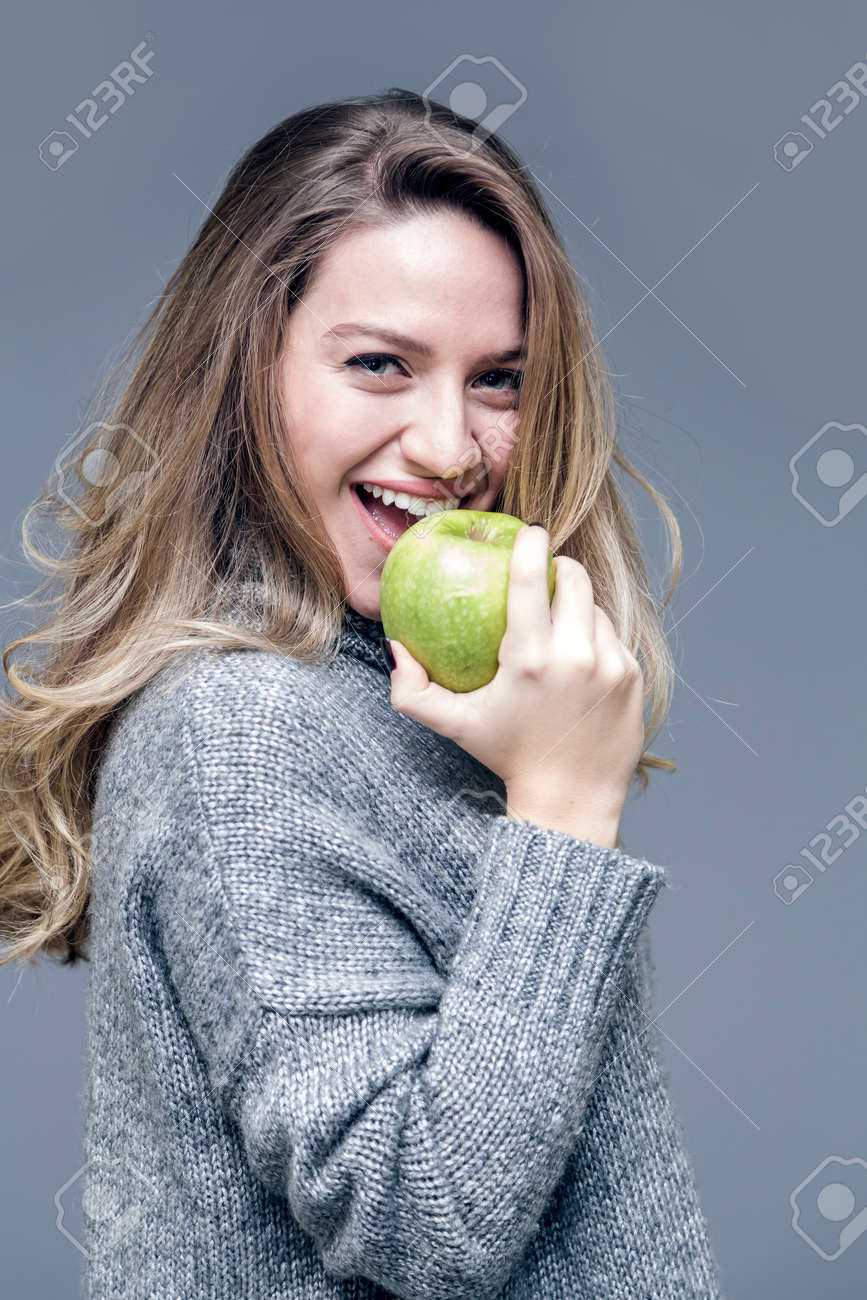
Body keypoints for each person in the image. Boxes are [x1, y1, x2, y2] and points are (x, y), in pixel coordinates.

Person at [0, 88, 725, 1297]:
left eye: (499, 380)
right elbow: (427, 1223)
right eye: (379, 363)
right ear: (247, 377)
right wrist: (560, 815)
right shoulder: (238, 728)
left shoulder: (406, 693)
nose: (450, 445)